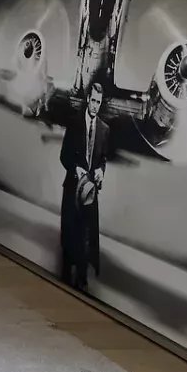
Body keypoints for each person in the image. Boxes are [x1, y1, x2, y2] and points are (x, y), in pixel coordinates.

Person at [58, 80, 109, 290]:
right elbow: (64, 156)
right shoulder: (74, 123)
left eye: (99, 102)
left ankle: (82, 277)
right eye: (93, 101)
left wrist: (101, 172)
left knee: (86, 234)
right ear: (88, 99)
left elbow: (103, 159)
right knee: (70, 231)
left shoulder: (104, 130)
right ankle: (65, 276)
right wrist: (75, 169)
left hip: (90, 192)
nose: (95, 106)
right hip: (72, 187)